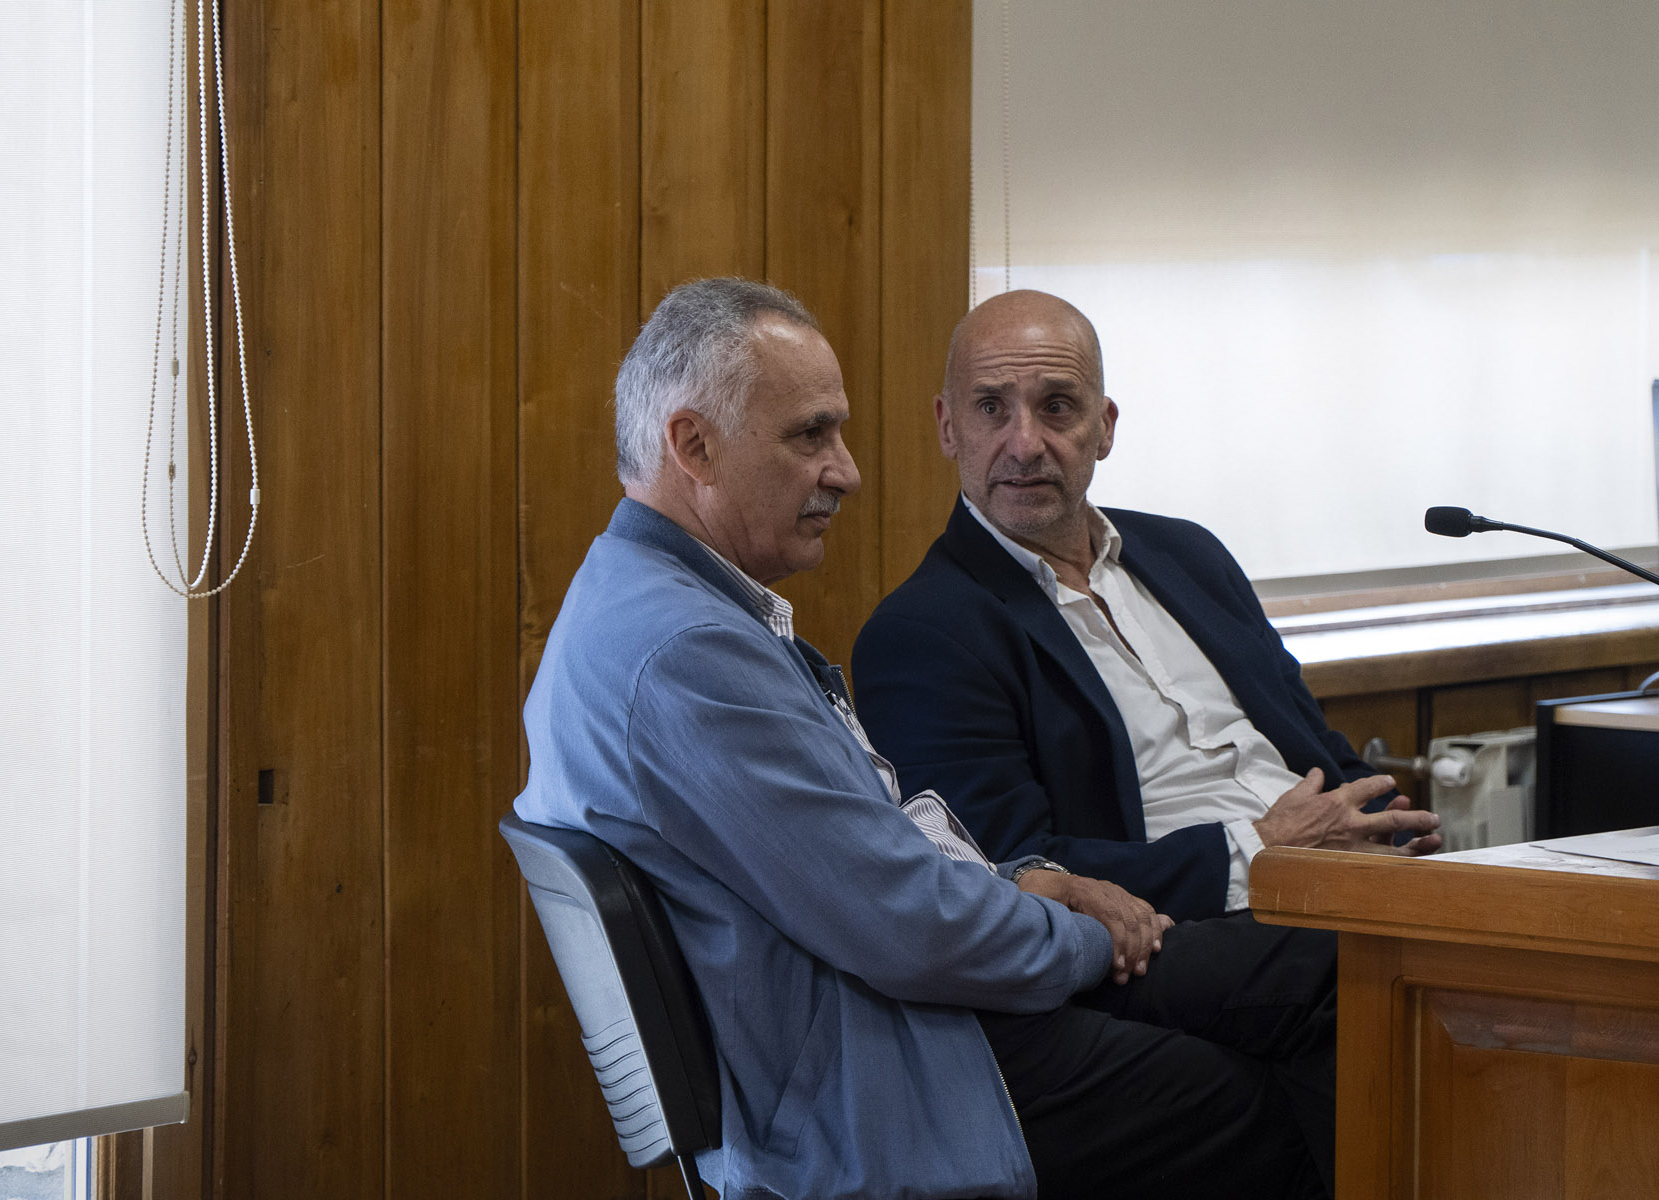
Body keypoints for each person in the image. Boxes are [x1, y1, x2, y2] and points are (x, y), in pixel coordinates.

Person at [516, 277, 1336, 1200]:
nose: (846, 470)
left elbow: (879, 857)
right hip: (894, 1084)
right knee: (1265, 1083)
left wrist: (1022, 881)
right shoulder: (686, 652)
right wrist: (1081, 936)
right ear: (693, 445)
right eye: (810, 435)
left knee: (1317, 972)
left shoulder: (638, 599)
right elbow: (908, 928)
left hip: (886, 1029)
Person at [851, 289, 1442, 925]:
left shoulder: (1189, 555)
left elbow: (1313, 746)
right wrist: (1265, 851)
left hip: (1341, 881)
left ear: (1103, 427)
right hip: (1181, 932)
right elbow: (1007, 870)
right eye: (991, 408)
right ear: (948, 427)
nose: (1024, 444)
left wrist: (1384, 827)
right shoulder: (923, 632)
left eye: (1056, 408)